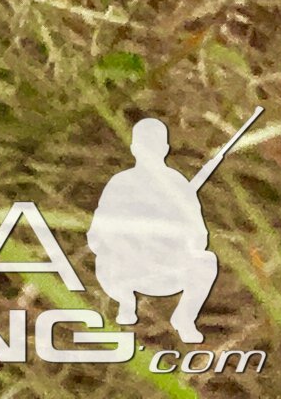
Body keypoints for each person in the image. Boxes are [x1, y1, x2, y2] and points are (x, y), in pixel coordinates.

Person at [87, 118, 223, 341]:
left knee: (206, 261)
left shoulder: (178, 185)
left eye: (154, 146)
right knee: (106, 258)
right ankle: (126, 304)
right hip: (126, 268)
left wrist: (172, 240)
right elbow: (97, 235)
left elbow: (199, 237)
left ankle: (184, 318)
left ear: (165, 149)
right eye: (145, 146)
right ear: (134, 149)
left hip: (167, 268)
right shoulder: (119, 184)